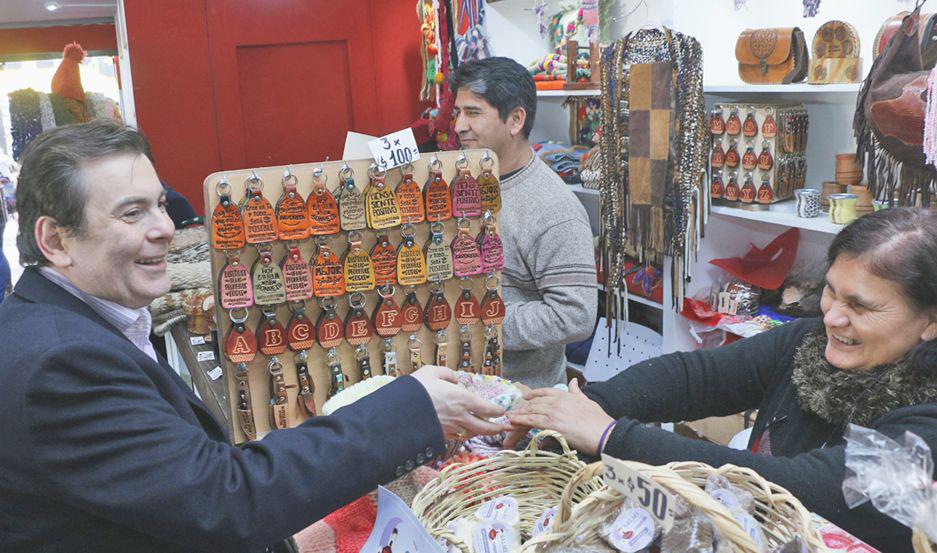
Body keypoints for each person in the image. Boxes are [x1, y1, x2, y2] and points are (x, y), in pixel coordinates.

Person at [0, 120, 506, 553]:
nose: (165, 228)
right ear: (54, 240)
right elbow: (223, 497)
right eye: (132, 213)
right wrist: (414, 409)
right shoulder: (60, 363)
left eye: (159, 204)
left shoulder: (77, 325)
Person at [506, 207, 937, 552]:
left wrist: (611, 436)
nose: (832, 315)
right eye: (831, 291)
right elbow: (695, 378)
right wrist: (580, 406)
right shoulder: (806, 343)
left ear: (929, 322)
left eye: (859, 306)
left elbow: (797, 487)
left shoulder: (928, 421)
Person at [451, 57, 597, 389]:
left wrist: (475, 319)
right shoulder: (463, 181)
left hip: (519, 405)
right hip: (463, 395)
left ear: (515, 119)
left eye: (473, 112)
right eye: (457, 113)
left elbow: (575, 316)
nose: (459, 125)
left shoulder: (555, 210)